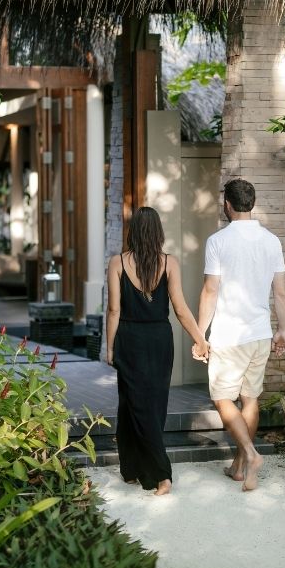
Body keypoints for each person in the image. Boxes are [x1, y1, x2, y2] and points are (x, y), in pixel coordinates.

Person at [106, 207, 209, 495]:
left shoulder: (117, 262)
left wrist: (110, 347)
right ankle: (132, 469)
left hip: (128, 337)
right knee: (139, 404)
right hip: (159, 339)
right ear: (158, 232)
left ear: (133, 231)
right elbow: (180, 309)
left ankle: (161, 475)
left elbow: (114, 310)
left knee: (136, 404)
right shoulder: (170, 263)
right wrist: (199, 338)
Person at [194, 178, 285, 491]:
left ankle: (250, 453)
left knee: (222, 399)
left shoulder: (218, 241)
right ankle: (239, 468)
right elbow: (280, 293)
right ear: (253, 203)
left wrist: (200, 334)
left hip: (228, 336)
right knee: (250, 399)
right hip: (260, 333)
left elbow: (210, 290)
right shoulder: (271, 241)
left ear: (227, 204)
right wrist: (283, 329)